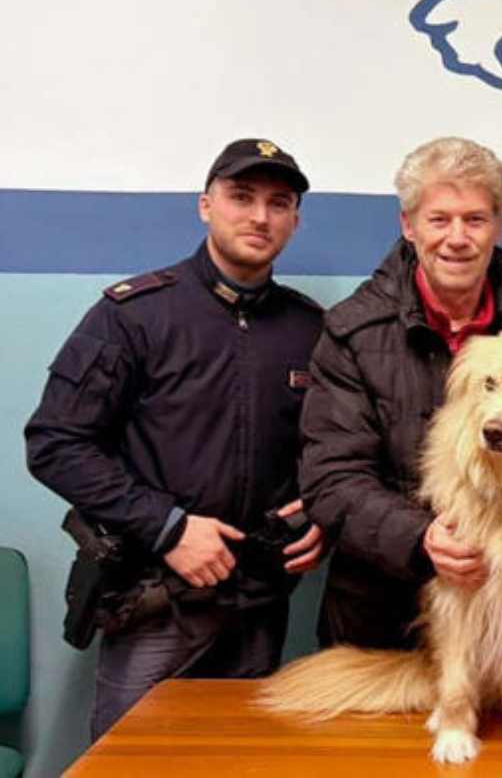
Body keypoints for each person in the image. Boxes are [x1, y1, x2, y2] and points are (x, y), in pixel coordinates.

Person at [25, 138, 327, 738]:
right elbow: (56, 443)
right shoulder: (134, 315)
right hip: (158, 599)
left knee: (243, 764)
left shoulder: (310, 328)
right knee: (131, 765)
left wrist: (322, 508)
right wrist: (169, 528)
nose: (259, 216)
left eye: (278, 203)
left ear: (295, 220)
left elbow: (328, 445)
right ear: (205, 205)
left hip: (261, 604)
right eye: (241, 197)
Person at [299, 136, 502, 649]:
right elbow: (331, 477)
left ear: (498, 225)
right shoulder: (352, 331)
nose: (457, 238)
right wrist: (420, 539)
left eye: (475, 219)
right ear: (408, 224)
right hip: (382, 615)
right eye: (439, 219)